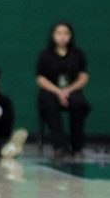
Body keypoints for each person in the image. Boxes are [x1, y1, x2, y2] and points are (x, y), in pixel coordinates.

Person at [36, 22, 91, 159]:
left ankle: (77, 147)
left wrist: (68, 90)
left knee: (79, 104)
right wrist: (58, 92)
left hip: (72, 91)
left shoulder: (77, 54)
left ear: (70, 36)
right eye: (59, 33)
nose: (62, 37)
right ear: (53, 35)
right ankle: (60, 146)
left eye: (66, 33)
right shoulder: (45, 55)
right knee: (49, 105)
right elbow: (40, 78)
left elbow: (83, 77)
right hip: (51, 91)